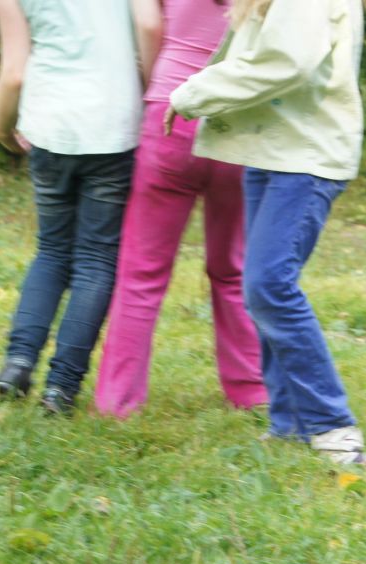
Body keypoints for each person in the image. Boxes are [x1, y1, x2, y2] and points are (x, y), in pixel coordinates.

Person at [166, 0, 366, 465]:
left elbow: (286, 62)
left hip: (305, 159)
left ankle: (333, 426)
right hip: (273, 152)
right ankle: (290, 424)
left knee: (269, 286)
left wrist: (193, 94)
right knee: (262, 289)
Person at [95, 0, 267, 419]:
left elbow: (149, 26)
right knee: (232, 269)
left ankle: (119, 401)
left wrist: (157, 83)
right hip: (238, 122)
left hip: (171, 110)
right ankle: (250, 390)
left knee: (142, 271)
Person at [0, 0, 160, 415]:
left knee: (51, 251)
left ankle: (17, 364)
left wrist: (1, 129)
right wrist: (149, 94)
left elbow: (14, 74)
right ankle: (61, 388)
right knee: (96, 261)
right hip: (114, 124)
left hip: (50, 124)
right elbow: (150, 26)